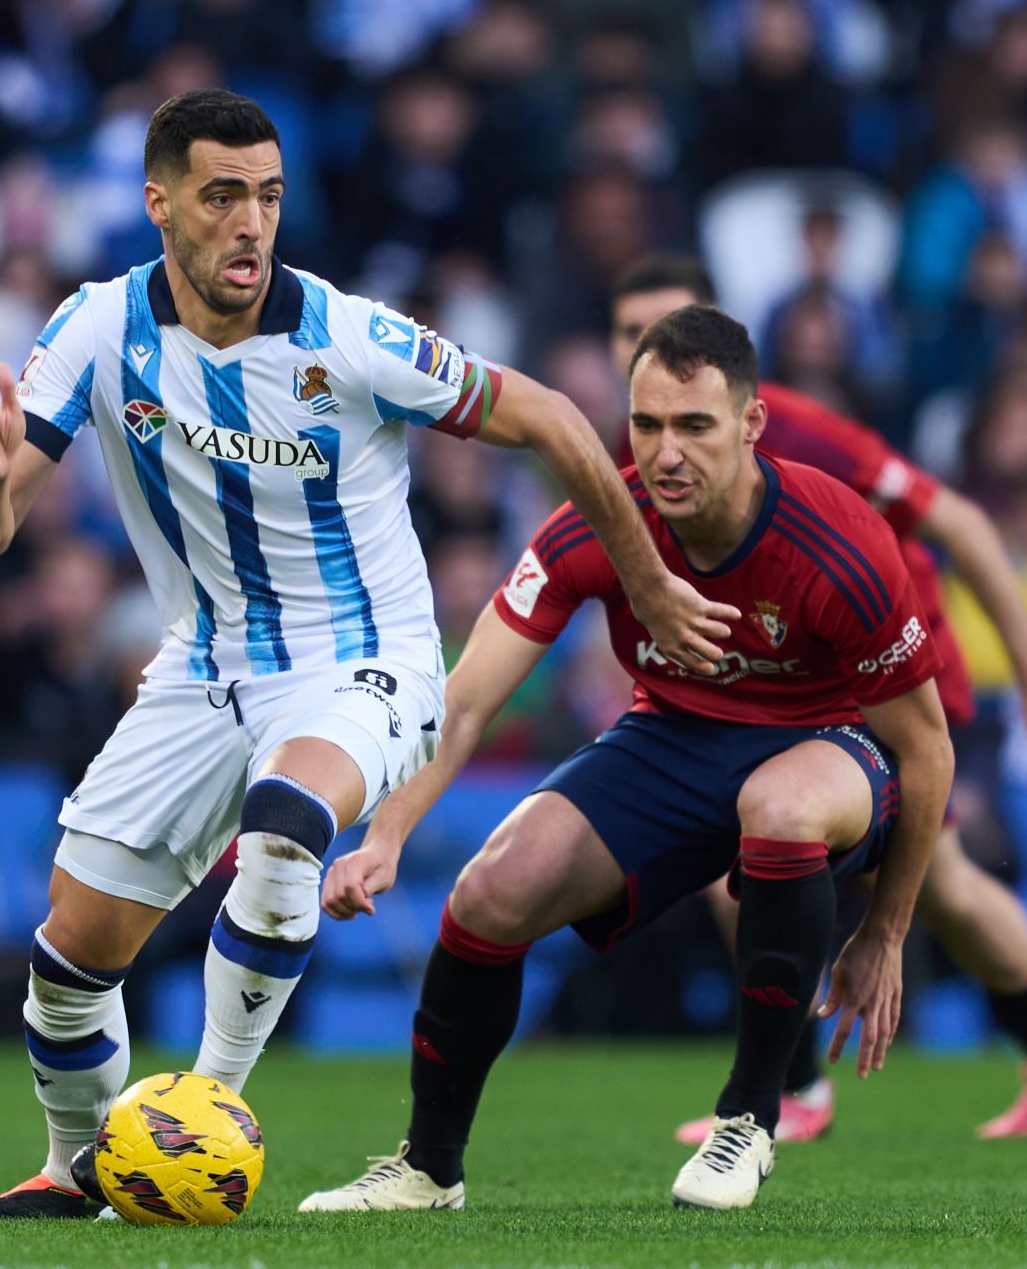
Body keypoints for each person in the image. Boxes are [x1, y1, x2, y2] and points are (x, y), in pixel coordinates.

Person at [0, 89, 735, 1221]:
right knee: (67, 965)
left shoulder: (348, 337)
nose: (251, 224)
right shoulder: (97, 329)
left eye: (267, 196)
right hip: (204, 664)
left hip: (365, 657)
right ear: (159, 205)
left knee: (283, 829)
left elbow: (552, 416)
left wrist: (648, 579)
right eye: (221, 198)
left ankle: (198, 1122)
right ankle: (75, 1167)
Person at [300, 305, 956, 1213]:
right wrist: (389, 831)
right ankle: (428, 1167)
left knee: (782, 807)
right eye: (647, 425)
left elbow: (925, 748)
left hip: (827, 747)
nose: (666, 452)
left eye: (695, 425)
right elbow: (466, 700)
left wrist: (883, 931)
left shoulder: (836, 544)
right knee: (490, 893)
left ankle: (749, 1119)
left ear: (751, 425)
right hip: (671, 741)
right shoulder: (598, 525)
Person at [603, 257, 1027, 1142]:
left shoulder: (803, 432)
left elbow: (956, 522)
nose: (646, 347)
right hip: (788, 683)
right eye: (628, 333)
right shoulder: (650, 447)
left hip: (895, 667)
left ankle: (796, 1089)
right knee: (938, 879)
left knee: (752, 854)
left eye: (666, 324)